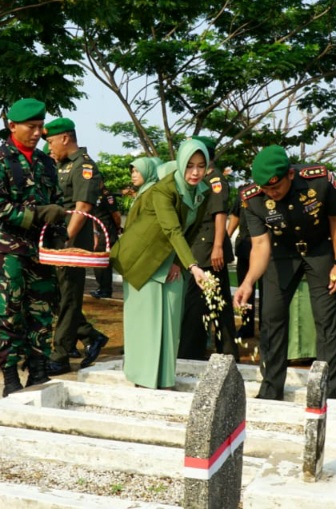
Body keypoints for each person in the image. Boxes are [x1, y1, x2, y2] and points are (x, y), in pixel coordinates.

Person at [233, 145, 336, 401]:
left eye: (276, 187)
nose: (271, 193)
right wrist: (248, 282)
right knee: (272, 316)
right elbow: (260, 244)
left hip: (319, 251)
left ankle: (326, 392)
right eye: (266, 189)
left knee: (326, 318)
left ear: (290, 175)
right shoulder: (251, 198)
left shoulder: (319, 181)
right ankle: (271, 389)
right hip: (280, 253)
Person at [0, 98, 65, 397]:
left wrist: (59, 230)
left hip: (39, 251)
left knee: (41, 311)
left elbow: (56, 202)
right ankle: (10, 377)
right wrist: (39, 214)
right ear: (11, 126)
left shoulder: (46, 163)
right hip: (6, 253)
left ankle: (38, 368)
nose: (38, 133)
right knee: (6, 315)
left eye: (41, 127)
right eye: (32, 127)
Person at [111, 139, 210, 389]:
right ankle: (142, 378)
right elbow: (172, 229)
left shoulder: (202, 192)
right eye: (189, 166)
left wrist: (179, 262)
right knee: (145, 322)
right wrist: (194, 267)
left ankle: (163, 378)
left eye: (201, 166)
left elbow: (192, 231)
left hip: (174, 261)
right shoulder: (163, 190)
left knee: (171, 319)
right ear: (180, 164)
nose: (195, 172)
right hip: (143, 258)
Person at [42, 118, 109, 376]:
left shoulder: (84, 166)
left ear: (65, 138)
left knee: (68, 296)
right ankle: (90, 335)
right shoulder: (61, 165)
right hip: (57, 239)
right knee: (56, 295)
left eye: (50, 142)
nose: (49, 147)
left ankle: (59, 355)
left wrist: (67, 238)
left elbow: (83, 207)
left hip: (71, 241)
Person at [178, 136, 238, 361]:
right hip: (201, 247)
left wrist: (217, 247)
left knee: (197, 304)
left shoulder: (215, 180)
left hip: (208, 250)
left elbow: (219, 214)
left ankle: (191, 354)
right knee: (216, 303)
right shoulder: (203, 179)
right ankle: (226, 352)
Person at [227, 193, 261, 339]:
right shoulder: (244, 192)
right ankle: (246, 326)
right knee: (245, 290)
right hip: (245, 248)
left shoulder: (271, 190)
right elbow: (236, 215)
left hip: (266, 250)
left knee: (267, 293)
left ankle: (266, 328)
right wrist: (226, 236)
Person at [90, 182, 122, 299]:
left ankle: (105, 289)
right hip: (98, 232)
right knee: (99, 262)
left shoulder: (107, 196)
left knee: (103, 262)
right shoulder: (92, 194)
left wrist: (118, 227)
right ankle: (102, 288)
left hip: (107, 232)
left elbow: (116, 215)